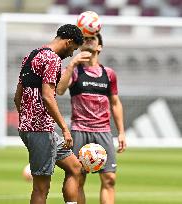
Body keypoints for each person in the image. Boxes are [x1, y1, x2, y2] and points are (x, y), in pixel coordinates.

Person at [14, 24, 91, 204]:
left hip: (32, 128)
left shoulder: (31, 56)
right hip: (40, 130)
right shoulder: (53, 59)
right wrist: (65, 128)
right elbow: (48, 97)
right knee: (41, 187)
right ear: (68, 42)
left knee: (75, 167)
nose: (71, 54)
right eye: (73, 49)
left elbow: (17, 96)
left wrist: (26, 120)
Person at [57, 33, 127, 204]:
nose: (88, 40)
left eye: (92, 38)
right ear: (80, 46)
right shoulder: (74, 72)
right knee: (79, 177)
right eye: (85, 39)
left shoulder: (108, 74)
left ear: (99, 47)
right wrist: (73, 63)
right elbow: (59, 90)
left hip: (103, 131)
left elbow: (115, 103)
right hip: (79, 130)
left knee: (109, 178)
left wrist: (122, 132)